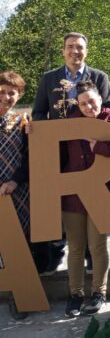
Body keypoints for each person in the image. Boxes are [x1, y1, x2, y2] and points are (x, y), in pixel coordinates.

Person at [32, 32, 110, 275]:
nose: (74, 51)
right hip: (58, 152)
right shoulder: (49, 79)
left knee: (90, 200)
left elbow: (107, 109)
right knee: (61, 203)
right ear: (63, 50)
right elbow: (38, 113)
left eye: (79, 47)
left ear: (86, 51)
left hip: (89, 151)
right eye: (70, 47)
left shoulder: (99, 77)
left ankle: (90, 257)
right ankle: (56, 255)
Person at [62, 81, 110, 318]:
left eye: (92, 101)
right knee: (75, 248)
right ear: (78, 104)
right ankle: (75, 294)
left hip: (101, 196)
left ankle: (99, 292)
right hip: (73, 196)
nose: (88, 106)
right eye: (83, 103)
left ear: (100, 99)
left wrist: (102, 148)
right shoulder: (67, 125)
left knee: (97, 247)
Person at [0, 71, 31, 319]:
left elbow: (30, 158)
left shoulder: (22, 122)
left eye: (12, 93)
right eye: (2, 91)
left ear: (19, 96)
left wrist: (15, 180)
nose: (6, 96)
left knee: (19, 244)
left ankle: (18, 297)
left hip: (17, 192)